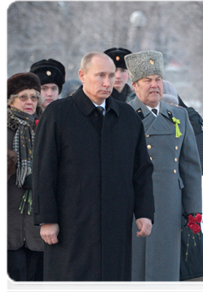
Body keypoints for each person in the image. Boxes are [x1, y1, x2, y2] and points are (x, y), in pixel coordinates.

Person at [32, 52, 155, 292]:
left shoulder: (127, 116)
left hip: (115, 224)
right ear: (82, 76)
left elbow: (141, 170)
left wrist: (144, 212)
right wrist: (47, 218)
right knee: (72, 282)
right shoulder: (58, 113)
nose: (107, 82)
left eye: (111, 76)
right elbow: (44, 169)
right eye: (100, 75)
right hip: (71, 225)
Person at [125, 50, 202, 292]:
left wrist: (193, 212)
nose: (154, 85)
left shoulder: (178, 115)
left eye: (158, 79)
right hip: (132, 210)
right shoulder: (122, 115)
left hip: (170, 208)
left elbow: (190, 167)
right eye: (147, 80)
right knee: (134, 276)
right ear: (134, 85)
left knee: (164, 277)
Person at [5, 72, 44, 292]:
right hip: (8, 226)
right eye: (23, 97)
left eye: (33, 97)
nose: (30, 101)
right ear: (9, 101)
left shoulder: (45, 129)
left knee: (31, 284)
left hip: (36, 228)